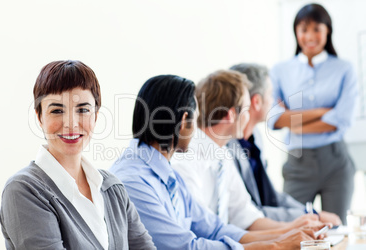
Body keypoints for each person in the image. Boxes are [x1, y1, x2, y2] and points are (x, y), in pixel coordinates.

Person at [110, 74, 326, 249]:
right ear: (184, 121)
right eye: (195, 118)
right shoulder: (134, 180)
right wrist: (276, 246)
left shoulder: (166, 173)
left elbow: (214, 228)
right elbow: (185, 247)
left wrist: (285, 237)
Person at [0, 60, 155, 249]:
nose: (71, 123)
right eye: (57, 110)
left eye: (83, 110)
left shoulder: (112, 188)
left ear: (96, 116)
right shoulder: (24, 191)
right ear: (40, 117)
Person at [171, 69, 322, 232]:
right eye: (246, 109)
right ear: (230, 115)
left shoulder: (222, 157)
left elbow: (246, 217)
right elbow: (203, 230)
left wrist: (294, 228)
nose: (248, 117)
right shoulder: (185, 160)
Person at [268, 3, 357, 224]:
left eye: (317, 29)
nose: (310, 36)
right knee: (291, 229)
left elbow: (341, 120)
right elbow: (274, 119)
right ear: (295, 32)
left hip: (336, 163)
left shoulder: (345, 69)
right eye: (303, 29)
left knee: (336, 229)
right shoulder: (280, 71)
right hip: (297, 164)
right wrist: (321, 112)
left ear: (328, 31)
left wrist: (293, 121)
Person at [227, 63, 341, 225]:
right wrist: (311, 217)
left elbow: (271, 196)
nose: (275, 102)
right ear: (256, 101)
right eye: (271, 95)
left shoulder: (255, 137)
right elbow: (250, 212)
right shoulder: (227, 147)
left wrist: (311, 213)